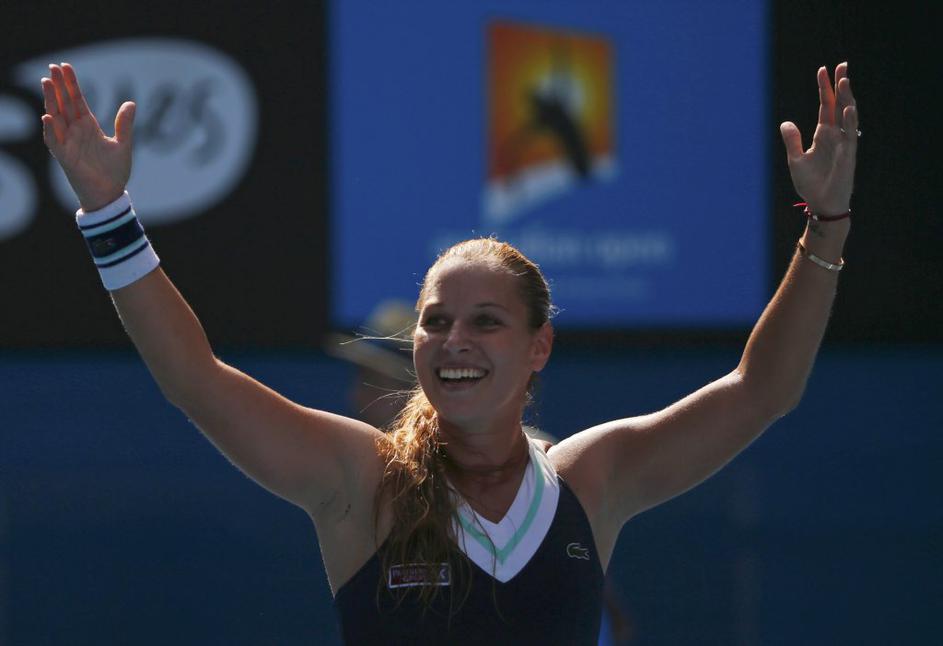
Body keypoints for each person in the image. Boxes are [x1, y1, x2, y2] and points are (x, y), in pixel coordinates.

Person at [40, 61, 858, 644]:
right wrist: (108, 213)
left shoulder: (591, 480)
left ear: (538, 347)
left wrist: (825, 226)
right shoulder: (358, 480)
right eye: (435, 322)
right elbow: (196, 380)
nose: (453, 341)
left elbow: (761, 390)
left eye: (485, 322)